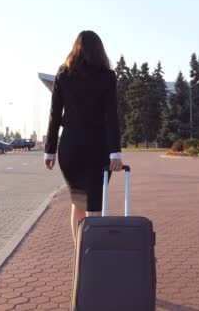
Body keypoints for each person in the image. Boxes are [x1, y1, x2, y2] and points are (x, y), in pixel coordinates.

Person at [44, 30, 123, 243]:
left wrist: (49, 150)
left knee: (78, 202)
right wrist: (115, 152)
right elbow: (110, 117)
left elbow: (55, 115)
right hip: (98, 149)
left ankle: (81, 255)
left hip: (71, 149)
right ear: (99, 50)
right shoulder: (107, 76)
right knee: (94, 204)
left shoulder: (63, 74)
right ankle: (92, 259)